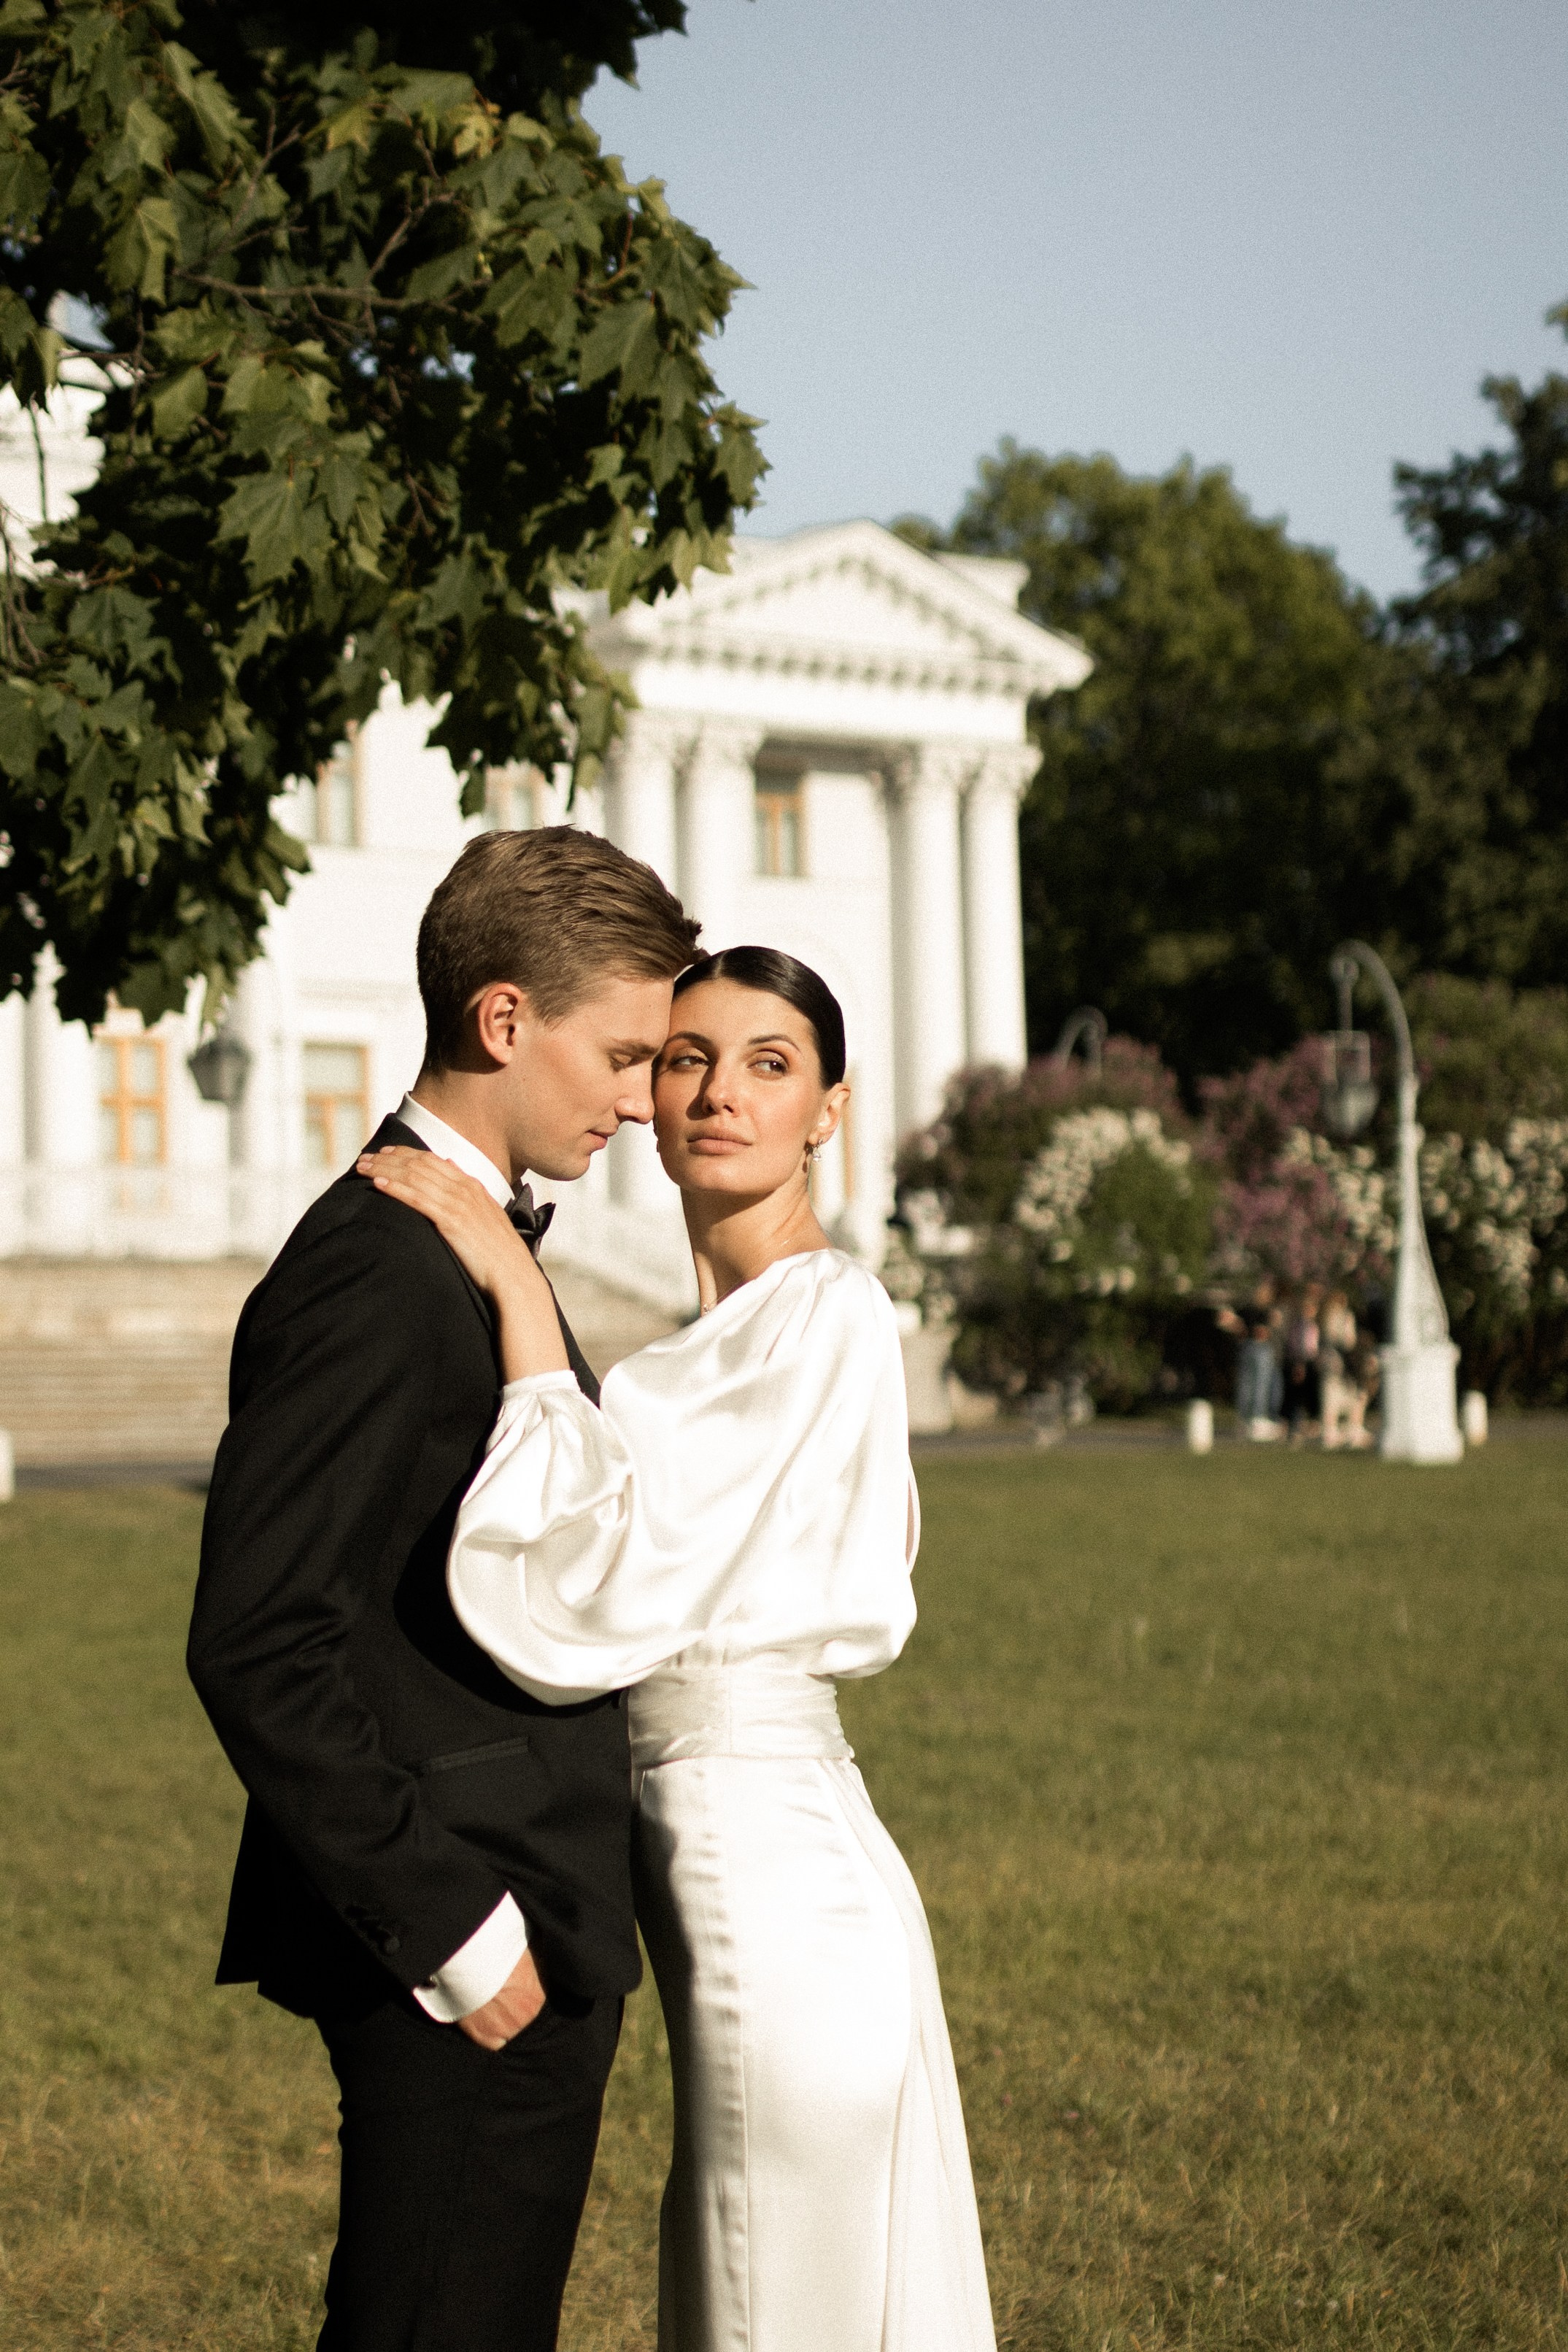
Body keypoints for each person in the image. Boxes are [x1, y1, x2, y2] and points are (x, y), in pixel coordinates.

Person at [360, 945, 996, 2352]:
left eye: (770, 1064)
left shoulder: (828, 1312)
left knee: (775, 2286)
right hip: (724, 1865)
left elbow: (582, 1588)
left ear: (829, 1108)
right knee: (744, 2274)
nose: (716, 1093)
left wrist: (516, 1299)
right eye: (684, 1058)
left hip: (778, 1880)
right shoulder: (696, 1349)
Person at [188, 827, 701, 2352]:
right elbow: (260, 1638)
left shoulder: (463, 1249)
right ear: (501, 1020)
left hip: (527, 1911)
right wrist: (460, 1934)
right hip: (469, 1935)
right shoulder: (377, 1268)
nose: (636, 1098)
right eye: (619, 1053)